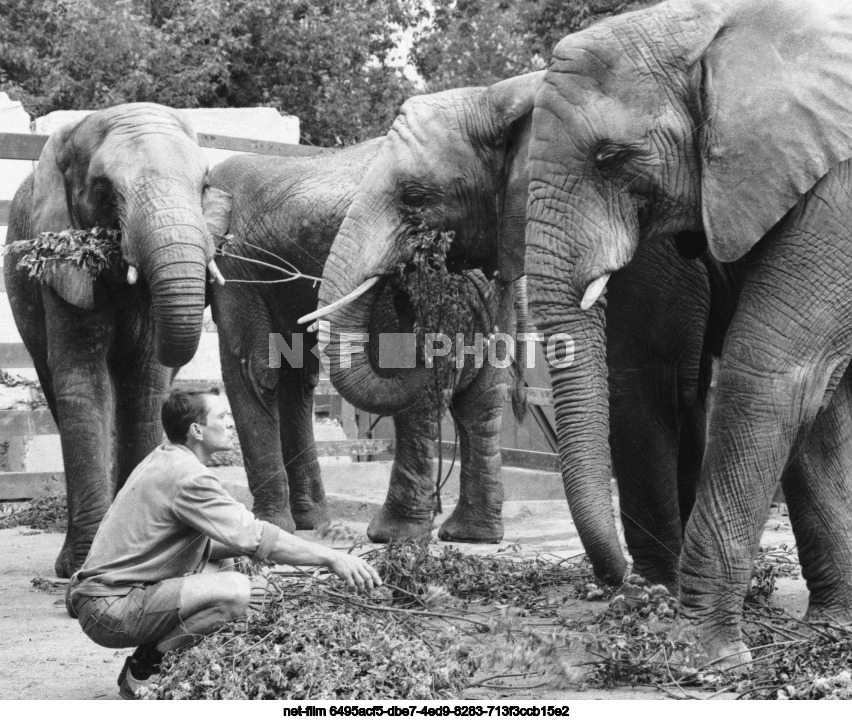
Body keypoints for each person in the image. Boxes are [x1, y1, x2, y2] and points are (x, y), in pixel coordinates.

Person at [67, 385, 381, 699]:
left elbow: (230, 543)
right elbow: (253, 535)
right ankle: (146, 668)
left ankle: (158, 660)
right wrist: (331, 558)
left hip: (111, 598)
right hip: (111, 608)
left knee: (230, 562)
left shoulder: (167, 457)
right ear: (196, 430)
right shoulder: (188, 476)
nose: (230, 423)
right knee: (240, 592)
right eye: (222, 416)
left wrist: (273, 554)